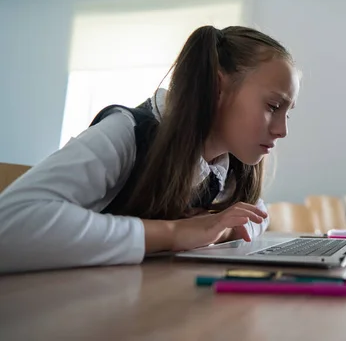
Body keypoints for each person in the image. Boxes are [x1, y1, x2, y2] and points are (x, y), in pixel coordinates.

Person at [0, 25, 300, 274]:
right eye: (273, 106)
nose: (282, 130)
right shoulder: (127, 132)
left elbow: (257, 213)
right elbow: (9, 225)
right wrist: (174, 233)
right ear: (216, 87)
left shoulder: (227, 164)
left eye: (287, 113)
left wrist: (219, 228)